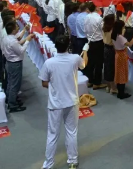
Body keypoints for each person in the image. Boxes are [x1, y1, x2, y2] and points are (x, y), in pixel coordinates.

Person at [40, 35, 88, 169]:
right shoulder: (75, 58)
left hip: (55, 103)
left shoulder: (49, 63)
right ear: (68, 45)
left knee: (52, 134)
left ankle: (48, 164)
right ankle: (73, 160)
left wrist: (55, 86)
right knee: (71, 132)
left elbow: (44, 83)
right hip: (72, 102)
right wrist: (85, 51)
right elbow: (84, 64)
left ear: (56, 46)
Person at [3, 20, 34, 112]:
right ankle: (13, 105)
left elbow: (18, 42)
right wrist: (27, 41)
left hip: (10, 62)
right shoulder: (12, 41)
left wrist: (26, 37)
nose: (18, 27)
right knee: (15, 84)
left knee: (10, 82)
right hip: (15, 64)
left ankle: (9, 99)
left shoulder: (7, 38)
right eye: (16, 27)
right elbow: (20, 50)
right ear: (13, 30)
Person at [113, 19, 133, 99]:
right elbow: (130, 44)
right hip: (122, 56)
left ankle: (119, 91)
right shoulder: (121, 38)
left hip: (117, 54)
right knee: (123, 73)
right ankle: (121, 93)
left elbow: (119, 41)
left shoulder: (114, 34)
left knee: (118, 73)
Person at [83, 3, 106, 90]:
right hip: (98, 42)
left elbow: (85, 30)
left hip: (90, 41)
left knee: (90, 62)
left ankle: (90, 80)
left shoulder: (86, 17)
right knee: (99, 63)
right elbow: (103, 30)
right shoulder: (99, 18)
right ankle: (97, 83)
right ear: (96, 8)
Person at [101, 14, 117, 96]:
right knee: (112, 69)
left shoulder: (104, 28)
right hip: (111, 49)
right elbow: (114, 43)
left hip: (105, 48)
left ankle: (108, 86)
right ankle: (113, 88)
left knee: (107, 67)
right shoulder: (113, 30)